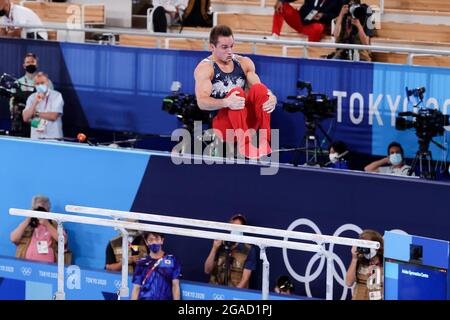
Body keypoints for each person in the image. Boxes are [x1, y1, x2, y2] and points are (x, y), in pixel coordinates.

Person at [194, 25, 277, 159]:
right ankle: (244, 145)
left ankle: (264, 140)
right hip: (223, 125)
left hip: (245, 122)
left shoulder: (244, 63)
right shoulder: (206, 68)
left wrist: (271, 96)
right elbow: (202, 103)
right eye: (224, 47)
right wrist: (226, 102)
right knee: (237, 93)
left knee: (261, 90)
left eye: (231, 46)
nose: (229, 51)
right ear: (212, 47)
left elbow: (258, 88)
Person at [9, 195, 70, 264]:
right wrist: (28, 218)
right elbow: (13, 238)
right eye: (38, 209)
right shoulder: (28, 224)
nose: (40, 212)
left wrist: (47, 224)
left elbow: (63, 240)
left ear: (48, 209)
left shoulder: (54, 224)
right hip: (26, 265)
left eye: (43, 209)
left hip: (48, 267)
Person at [204, 213, 258, 288]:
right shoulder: (220, 244)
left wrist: (232, 294)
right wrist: (214, 248)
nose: (236, 229)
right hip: (215, 289)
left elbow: (245, 279)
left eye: (239, 227)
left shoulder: (249, 250)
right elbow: (207, 270)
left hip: (235, 291)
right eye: (233, 226)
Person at [9, 53, 53, 137]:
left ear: (37, 64)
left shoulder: (47, 83)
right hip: (20, 127)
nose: (30, 64)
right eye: (28, 62)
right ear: (24, 65)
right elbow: (12, 106)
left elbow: (51, 104)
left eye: (32, 62)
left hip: (39, 125)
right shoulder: (17, 83)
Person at [131, 232, 181, 300]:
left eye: (157, 239)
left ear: (162, 240)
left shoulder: (172, 260)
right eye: (151, 240)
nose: (154, 242)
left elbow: (175, 285)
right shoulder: (141, 263)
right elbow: (136, 288)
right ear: (146, 242)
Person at [269, 0, 342, 42]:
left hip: (314, 25)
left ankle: (310, 49)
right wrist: (282, 0)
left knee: (318, 28)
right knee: (282, 5)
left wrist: (323, 15)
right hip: (300, 20)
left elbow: (336, 15)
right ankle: (275, 35)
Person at [22, 72, 64, 140]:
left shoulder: (57, 95)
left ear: (47, 82)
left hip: (53, 138)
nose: (40, 85)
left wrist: (35, 114)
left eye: (42, 83)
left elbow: (53, 116)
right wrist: (35, 102)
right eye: (37, 84)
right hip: (36, 138)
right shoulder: (31, 97)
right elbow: (25, 117)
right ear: (34, 85)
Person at [345, 229, 384, 300]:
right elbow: (348, 283)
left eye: (368, 245)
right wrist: (354, 259)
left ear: (378, 247)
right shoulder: (359, 259)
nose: (366, 248)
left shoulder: (386, 263)